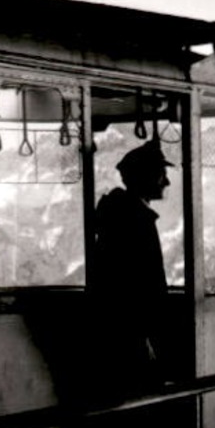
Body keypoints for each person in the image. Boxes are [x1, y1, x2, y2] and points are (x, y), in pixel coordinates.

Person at [90, 137, 174, 399]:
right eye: (162, 175)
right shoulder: (136, 221)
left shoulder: (121, 215)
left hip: (126, 333)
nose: (167, 182)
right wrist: (145, 337)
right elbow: (136, 285)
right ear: (147, 177)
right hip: (132, 336)